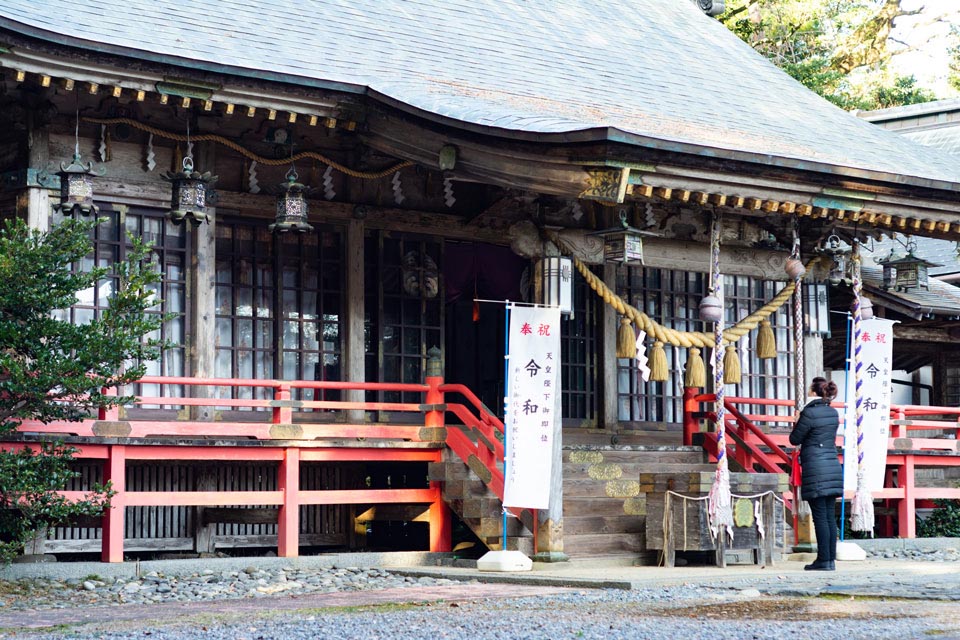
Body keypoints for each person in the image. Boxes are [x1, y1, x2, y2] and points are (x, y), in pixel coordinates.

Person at [789, 376, 843, 571]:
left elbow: (795, 439)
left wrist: (797, 421)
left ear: (813, 392)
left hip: (816, 468)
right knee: (829, 516)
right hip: (832, 465)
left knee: (820, 516)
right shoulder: (832, 413)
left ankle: (823, 559)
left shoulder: (809, 413)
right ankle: (829, 560)